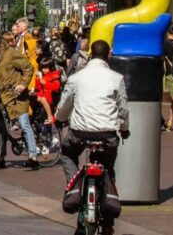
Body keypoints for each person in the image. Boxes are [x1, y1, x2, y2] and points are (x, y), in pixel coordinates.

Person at [56, 40, 129, 235]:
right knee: (109, 168)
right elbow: (122, 108)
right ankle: (108, 221)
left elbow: (64, 105)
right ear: (108, 56)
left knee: (67, 153)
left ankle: (74, 187)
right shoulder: (117, 78)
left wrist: (59, 119)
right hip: (107, 134)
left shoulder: (77, 78)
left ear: (89, 55)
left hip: (80, 133)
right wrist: (124, 128)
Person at [0, 31, 41, 170]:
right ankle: (1, 157)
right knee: (0, 127)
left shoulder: (11, 54)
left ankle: (33, 156)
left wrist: (22, 84)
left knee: (24, 124)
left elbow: (28, 68)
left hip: (17, 95)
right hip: (3, 95)